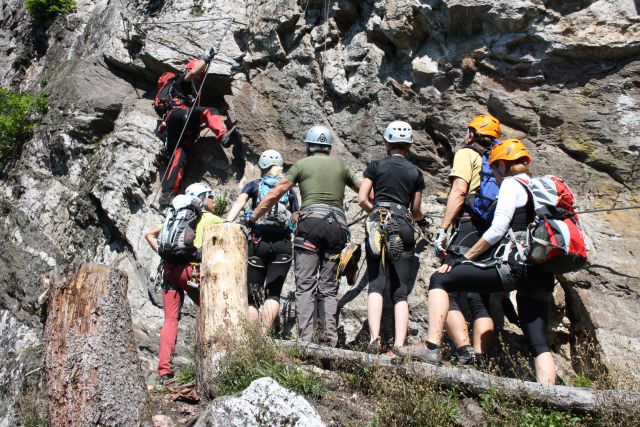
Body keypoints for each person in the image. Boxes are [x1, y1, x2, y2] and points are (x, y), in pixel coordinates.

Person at [397, 139, 558, 384]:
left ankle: (431, 347)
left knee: (440, 278)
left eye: (494, 169)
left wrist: (465, 257)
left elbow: (498, 229)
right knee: (538, 342)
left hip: (515, 266)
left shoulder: (511, 185)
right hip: (541, 271)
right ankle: (549, 399)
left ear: (503, 164)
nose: (494, 175)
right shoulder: (538, 188)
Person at [244, 125, 361, 346]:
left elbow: (275, 193)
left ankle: (306, 341)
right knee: (328, 288)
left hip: (310, 226)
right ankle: (330, 341)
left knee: (305, 285)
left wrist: (254, 217)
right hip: (337, 227)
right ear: (328, 146)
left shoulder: (301, 165)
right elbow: (364, 190)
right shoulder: (341, 167)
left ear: (309, 145)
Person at [433, 114, 502, 364]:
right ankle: (482, 359)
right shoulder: (497, 162)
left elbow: (459, 190)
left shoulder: (467, 154)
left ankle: (464, 351)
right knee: (478, 296)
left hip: (466, 227)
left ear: (472, 134)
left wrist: (443, 228)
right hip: (491, 232)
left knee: (444, 284)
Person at [357, 121, 426, 354]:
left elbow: (362, 198)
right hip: (403, 223)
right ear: (409, 145)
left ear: (387, 142)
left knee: (376, 283)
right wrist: (422, 222)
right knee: (400, 289)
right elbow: (415, 210)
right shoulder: (415, 173)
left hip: (379, 220)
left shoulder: (375, 166)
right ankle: (399, 345)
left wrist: (375, 213)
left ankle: (374, 340)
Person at [144, 182, 223, 383]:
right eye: (211, 196)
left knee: (170, 320)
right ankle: (211, 365)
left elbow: (149, 235)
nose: (214, 200)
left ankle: (164, 371)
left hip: (168, 270)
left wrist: (165, 255)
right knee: (211, 311)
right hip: (191, 271)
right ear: (203, 199)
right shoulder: (210, 218)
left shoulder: (174, 218)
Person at [226, 150, 299, 333]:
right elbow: (296, 217)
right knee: (272, 293)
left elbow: (239, 203)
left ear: (261, 167)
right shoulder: (288, 190)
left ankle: (251, 337)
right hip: (282, 244)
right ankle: (264, 334)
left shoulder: (254, 185)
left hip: (258, 243)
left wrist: (227, 223)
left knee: (252, 296)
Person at [158, 56, 233, 208]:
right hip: (180, 115)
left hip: (175, 126)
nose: (200, 77)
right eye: (200, 74)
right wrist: (206, 59)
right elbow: (191, 74)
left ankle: (167, 195)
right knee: (209, 111)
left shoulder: (175, 91)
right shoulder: (180, 80)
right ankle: (222, 135)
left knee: (179, 159)